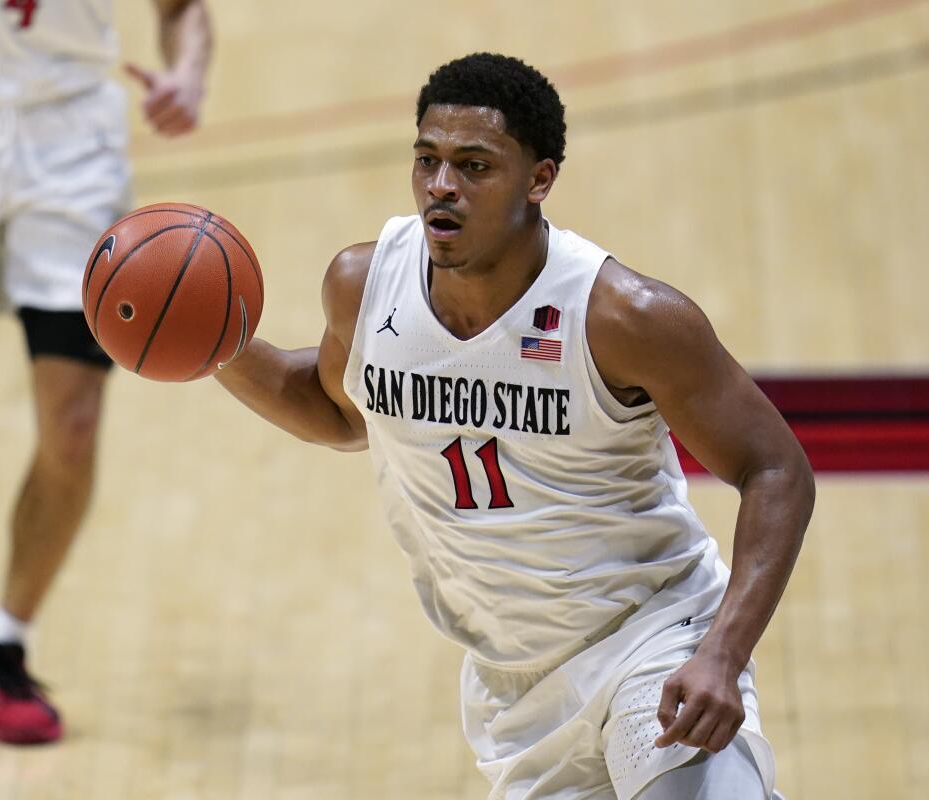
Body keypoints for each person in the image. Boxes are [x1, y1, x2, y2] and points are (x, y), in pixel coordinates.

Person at [216, 53, 813, 798]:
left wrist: (722, 653)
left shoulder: (625, 317)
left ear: (539, 180)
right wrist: (220, 348)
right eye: (428, 160)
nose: (442, 185)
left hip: (652, 641)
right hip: (513, 689)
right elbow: (340, 412)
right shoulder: (365, 284)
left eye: (474, 166)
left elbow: (776, 468)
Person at [0, 0, 212, 744]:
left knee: (74, 422)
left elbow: (180, 7)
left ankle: (3, 643)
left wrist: (187, 77)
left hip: (70, 144)